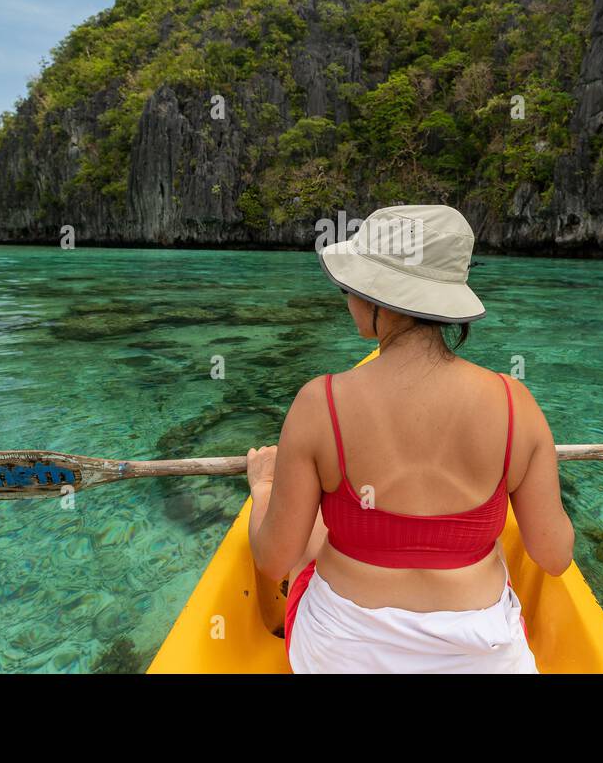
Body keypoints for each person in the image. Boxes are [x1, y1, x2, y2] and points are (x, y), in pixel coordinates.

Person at [246, 204, 574, 673]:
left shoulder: (320, 403)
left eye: (350, 287)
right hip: (482, 660)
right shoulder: (516, 403)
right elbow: (556, 556)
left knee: (310, 538)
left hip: (343, 656)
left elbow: (274, 560)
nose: (347, 300)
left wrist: (263, 491)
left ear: (379, 299)